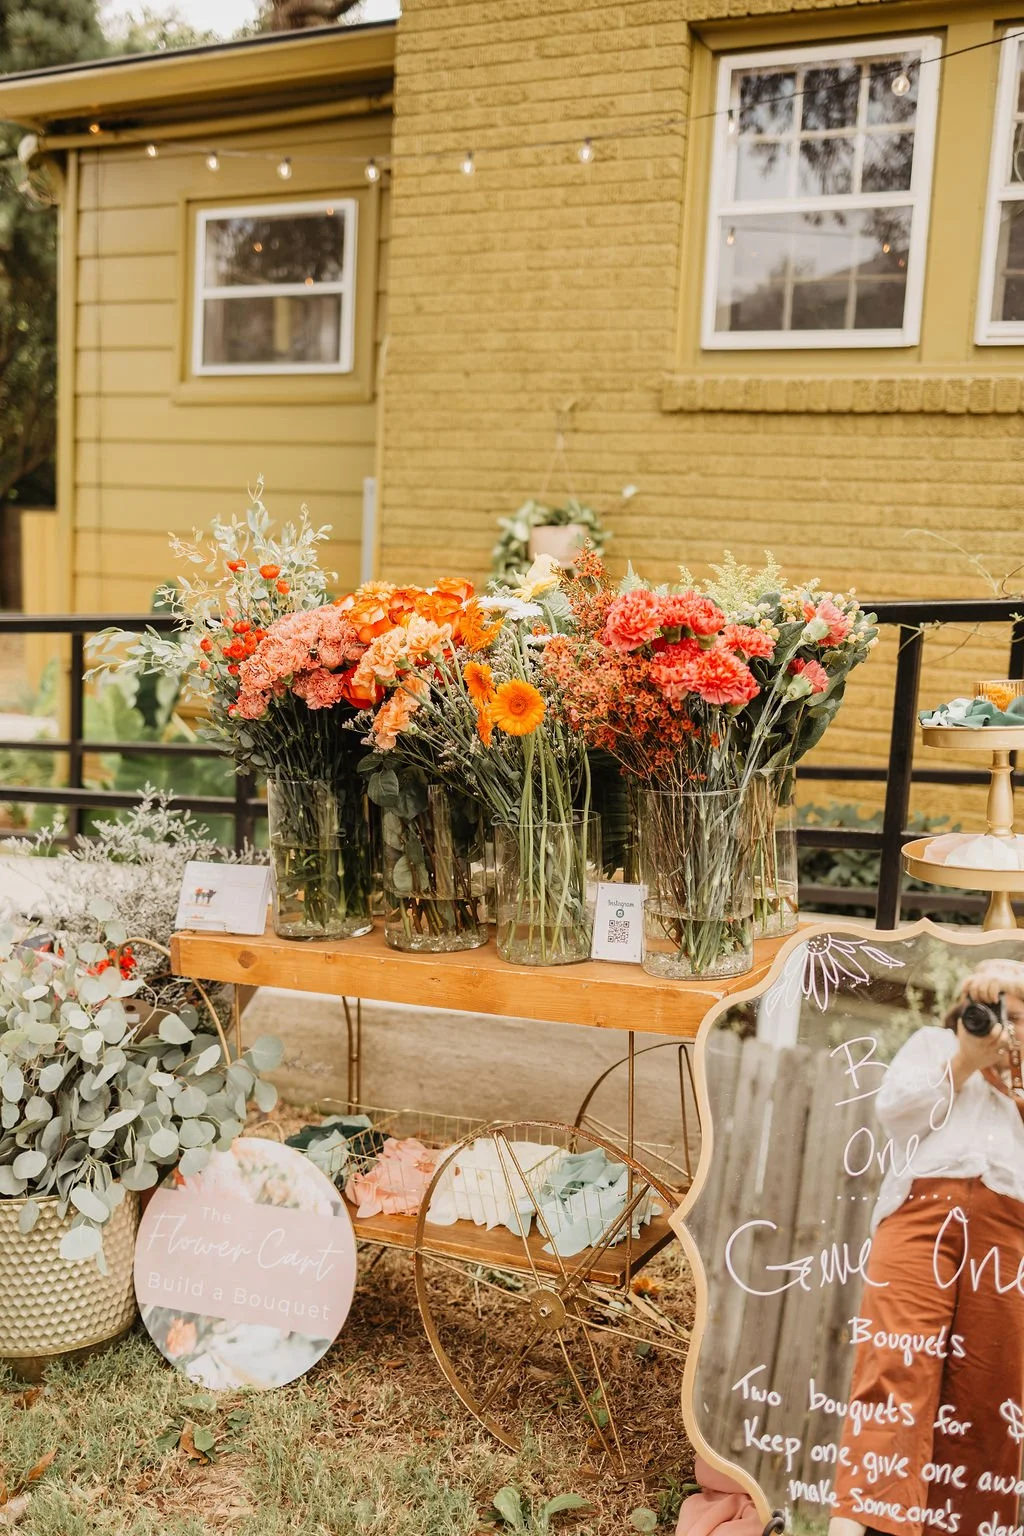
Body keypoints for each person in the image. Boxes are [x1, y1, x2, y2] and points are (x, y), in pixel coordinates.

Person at [829, 959, 1024, 1536]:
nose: (1005, 1024)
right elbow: (895, 1112)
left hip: (1011, 1226)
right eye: (993, 1010)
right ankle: (859, 1527)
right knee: (893, 1368)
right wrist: (965, 1061)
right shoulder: (933, 1044)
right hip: (921, 1214)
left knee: (992, 1390)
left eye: (1018, 1013)